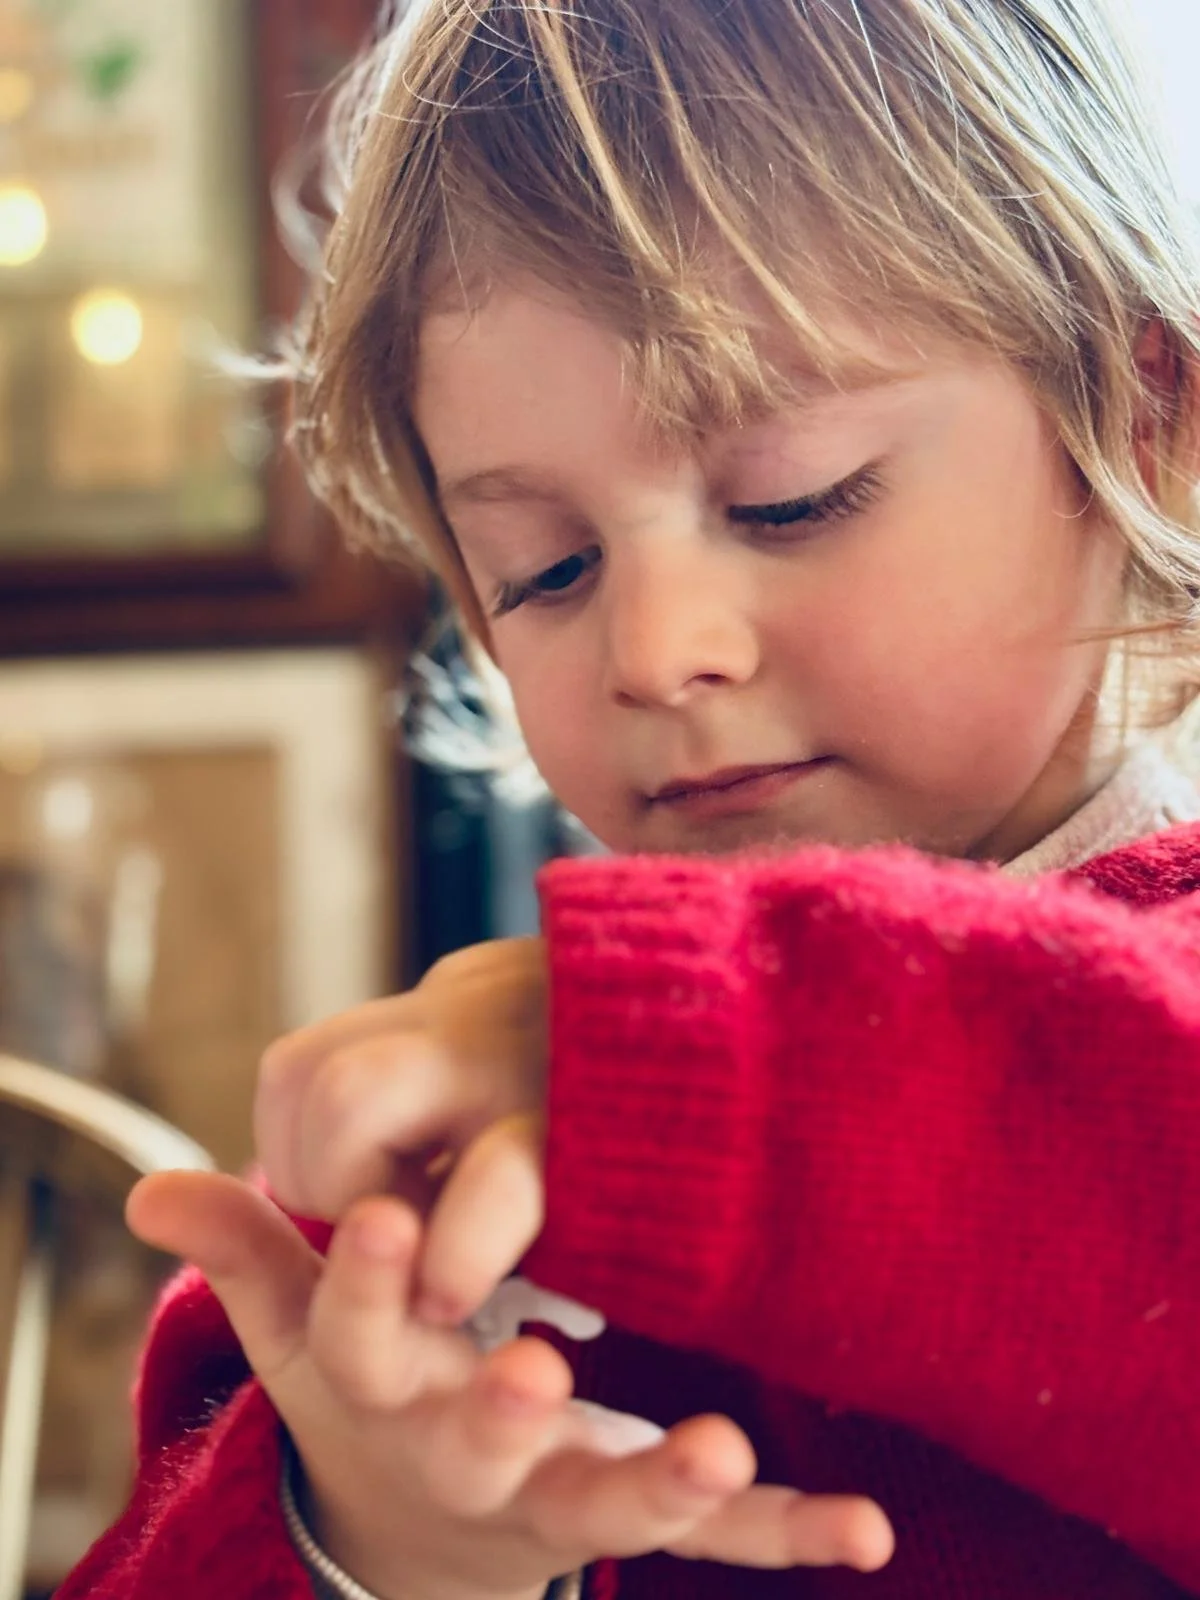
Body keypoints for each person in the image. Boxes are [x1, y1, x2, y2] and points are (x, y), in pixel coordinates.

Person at [57, 0, 1200, 1596]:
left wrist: (664, 1061)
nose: (656, 652)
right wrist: (369, 1535)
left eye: (795, 498)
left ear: (1142, 428)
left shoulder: (609, 1056)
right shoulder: (450, 1167)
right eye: (549, 571)